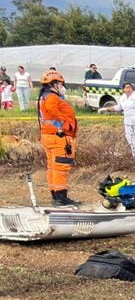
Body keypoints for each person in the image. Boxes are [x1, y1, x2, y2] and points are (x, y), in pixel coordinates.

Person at [36, 68, 78, 205]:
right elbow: (52, 111)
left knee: (53, 167)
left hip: (49, 136)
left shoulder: (44, 96)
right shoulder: (52, 97)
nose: (62, 87)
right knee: (61, 167)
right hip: (58, 137)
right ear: (54, 84)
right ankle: (61, 197)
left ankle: (56, 195)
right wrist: (66, 125)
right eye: (61, 84)